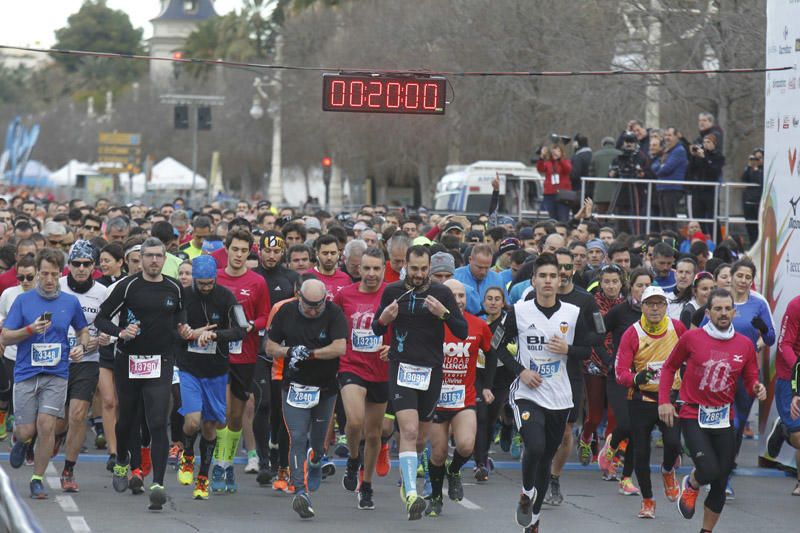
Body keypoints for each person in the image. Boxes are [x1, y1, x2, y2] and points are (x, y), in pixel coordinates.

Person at [493, 252, 588, 532]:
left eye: (553, 276)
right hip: (527, 392)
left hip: (560, 395)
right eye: (542, 276)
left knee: (546, 457)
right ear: (533, 280)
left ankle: (533, 520)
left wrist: (568, 349)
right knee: (533, 446)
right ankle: (525, 492)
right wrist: (521, 370)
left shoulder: (572, 313)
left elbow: (586, 348)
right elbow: (497, 346)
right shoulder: (519, 311)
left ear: (561, 280)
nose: (548, 281)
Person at [372, 245, 467, 520]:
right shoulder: (392, 292)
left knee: (420, 438)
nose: (419, 274)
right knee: (409, 431)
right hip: (401, 368)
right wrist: (384, 319)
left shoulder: (441, 293)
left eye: (424, 269)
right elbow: (377, 329)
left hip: (431, 371)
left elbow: (461, 332)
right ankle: (412, 493)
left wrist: (444, 314)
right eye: (414, 269)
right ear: (406, 268)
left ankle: (409, 482)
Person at [659, 288, 766, 531]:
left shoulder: (745, 345)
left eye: (728, 308)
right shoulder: (692, 338)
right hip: (692, 413)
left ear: (734, 312)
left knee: (720, 480)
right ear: (708, 312)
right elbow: (669, 368)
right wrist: (665, 400)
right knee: (708, 469)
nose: (723, 313)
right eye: (717, 309)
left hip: (723, 416)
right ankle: (692, 484)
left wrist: (757, 387)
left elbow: (750, 378)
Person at [95, 237, 185, 510]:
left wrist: (184, 331)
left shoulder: (175, 288)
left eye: (159, 256)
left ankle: (157, 483)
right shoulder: (127, 286)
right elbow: (100, 318)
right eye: (149, 256)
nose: (154, 261)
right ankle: (123, 459)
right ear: (141, 259)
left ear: (165, 258)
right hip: (129, 361)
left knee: (157, 421)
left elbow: (180, 319)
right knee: (126, 422)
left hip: (161, 361)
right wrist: (120, 332)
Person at [4, 248, 89, 499]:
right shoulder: (23, 301)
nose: (49, 279)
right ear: (38, 274)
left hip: (57, 373)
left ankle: (37, 479)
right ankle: (22, 442)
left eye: (53, 274)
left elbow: (82, 330)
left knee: (46, 426)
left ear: (60, 274)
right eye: (44, 274)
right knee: (27, 430)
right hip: (26, 372)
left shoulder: (70, 302)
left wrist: (80, 346)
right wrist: (29, 329)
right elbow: (6, 336)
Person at [266, 279, 347, 520]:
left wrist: (310, 354)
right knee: (298, 436)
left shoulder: (333, 313)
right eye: (309, 305)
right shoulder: (286, 312)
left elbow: (340, 347)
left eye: (317, 306)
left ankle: (316, 462)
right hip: (294, 385)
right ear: (299, 297)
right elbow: (269, 346)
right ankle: (300, 492)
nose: (313, 311)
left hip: (325, 387)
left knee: (319, 441)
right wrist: (289, 351)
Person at [175, 255, 246, 500]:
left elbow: (241, 329)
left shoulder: (227, 297)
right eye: (201, 283)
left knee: (209, 426)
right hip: (189, 368)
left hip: (216, 370)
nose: (205, 288)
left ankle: (203, 477)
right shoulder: (184, 295)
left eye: (209, 283)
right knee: (192, 421)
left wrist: (215, 336)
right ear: (194, 280)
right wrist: (188, 333)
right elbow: (176, 325)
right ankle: (187, 456)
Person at [425, 279, 496, 517]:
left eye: (462, 295)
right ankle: (435, 497)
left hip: (464, 397)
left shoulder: (478, 325)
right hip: (436, 399)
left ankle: (454, 471)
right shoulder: (431, 325)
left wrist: (486, 385)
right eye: (452, 295)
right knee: (438, 453)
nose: (458, 300)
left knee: (466, 445)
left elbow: (491, 354)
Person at [615, 286, 685, 518]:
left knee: (674, 444)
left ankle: (667, 471)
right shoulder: (632, 333)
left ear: (666, 306)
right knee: (641, 453)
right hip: (641, 399)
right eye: (650, 304)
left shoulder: (677, 328)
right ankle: (648, 500)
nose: (655, 308)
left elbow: (692, 357)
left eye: (659, 304)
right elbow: (619, 372)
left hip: (670, 398)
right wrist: (635, 377)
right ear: (642, 307)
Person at [213, 229, 270, 493]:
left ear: (249, 252)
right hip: (218, 353)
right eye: (234, 249)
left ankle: (228, 461)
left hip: (245, 355)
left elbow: (265, 316)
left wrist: (250, 326)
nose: (238, 255)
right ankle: (221, 464)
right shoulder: (216, 278)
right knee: (222, 413)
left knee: (237, 416)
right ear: (227, 250)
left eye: (243, 251)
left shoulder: (257, 281)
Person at [333, 248, 390, 510]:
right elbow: (332, 325)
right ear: (358, 269)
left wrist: (396, 348)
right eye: (366, 268)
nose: (371, 274)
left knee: (374, 433)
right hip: (351, 365)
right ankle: (353, 458)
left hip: (381, 370)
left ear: (383, 269)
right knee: (354, 422)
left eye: (376, 268)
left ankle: (366, 485)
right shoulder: (345, 295)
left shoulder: (392, 294)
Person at [57, 241, 108, 492]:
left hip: (86, 362)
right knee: (58, 423)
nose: (80, 268)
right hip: (55, 361)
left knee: (77, 415)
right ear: (68, 266)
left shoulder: (102, 293)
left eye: (86, 264)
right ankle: (55, 437)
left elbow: (108, 327)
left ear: (93, 267)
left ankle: (68, 470)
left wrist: (101, 340)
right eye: (75, 264)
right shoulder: (56, 286)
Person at [601, 267, 653, 495]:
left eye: (647, 285)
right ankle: (611, 448)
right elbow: (597, 334)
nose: (643, 290)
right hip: (619, 377)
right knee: (626, 424)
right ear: (630, 287)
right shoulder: (620, 312)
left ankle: (626, 478)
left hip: (644, 380)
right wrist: (608, 359)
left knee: (638, 431)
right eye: (639, 285)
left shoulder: (656, 314)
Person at [577, 265, 624, 466]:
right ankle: (586, 439)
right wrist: (603, 358)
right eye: (607, 281)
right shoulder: (591, 304)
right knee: (594, 415)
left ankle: (609, 456)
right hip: (594, 363)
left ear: (622, 283)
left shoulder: (626, 306)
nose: (611, 286)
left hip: (618, 365)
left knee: (615, 415)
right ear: (600, 283)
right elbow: (589, 336)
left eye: (615, 281)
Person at [763, 295, 800, 494]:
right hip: (791, 376)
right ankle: (785, 430)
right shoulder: (795, 305)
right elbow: (784, 344)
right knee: (798, 435)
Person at [313, 234, 352, 298]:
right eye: (325, 253)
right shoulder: (308, 276)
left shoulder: (346, 279)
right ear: (317, 254)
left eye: (333, 253)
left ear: (338, 253)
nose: (329, 257)